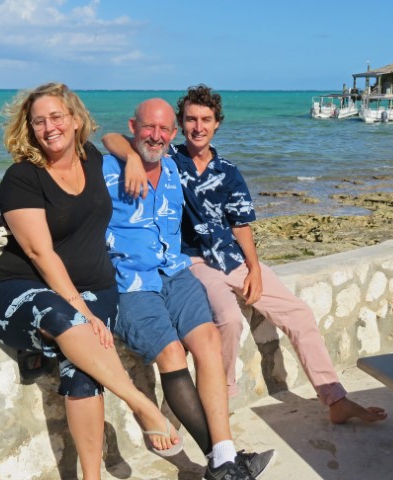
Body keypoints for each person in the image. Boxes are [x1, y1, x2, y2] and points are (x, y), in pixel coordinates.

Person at [102, 85, 388, 425]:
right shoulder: (168, 161)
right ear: (180, 125)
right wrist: (133, 158)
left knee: (298, 313)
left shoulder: (228, 171)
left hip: (234, 260)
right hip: (194, 262)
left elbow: (241, 225)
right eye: (191, 119)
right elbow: (112, 138)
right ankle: (218, 399)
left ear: (217, 124)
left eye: (206, 120)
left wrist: (254, 268)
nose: (198, 127)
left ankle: (335, 399)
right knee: (228, 318)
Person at [0, 83, 182, 480]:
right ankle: (142, 406)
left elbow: (117, 139)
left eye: (56, 117)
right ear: (29, 128)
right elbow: (39, 254)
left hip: (96, 289)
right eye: (38, 121)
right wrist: (81, 310)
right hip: (15, 289)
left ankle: (91, 477)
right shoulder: (21, 178)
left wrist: (134, 161)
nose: (49, 127)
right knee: (66, 319)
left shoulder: (92, 159)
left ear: (74, 119)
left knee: (83, 369)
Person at [103, 98, 274, 480]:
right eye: (149, 127)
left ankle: (224, 459)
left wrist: (253, 264)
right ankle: (224, 463)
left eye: (165, 129)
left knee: (210, 339)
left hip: (176, 274)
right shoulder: (107, 170)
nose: (157, 135)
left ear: (173, 134)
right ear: (134, 126)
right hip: (131, 283)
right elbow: (101, 139)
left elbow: (233, 214)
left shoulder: (173, 169)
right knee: (170, 352)